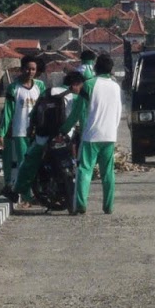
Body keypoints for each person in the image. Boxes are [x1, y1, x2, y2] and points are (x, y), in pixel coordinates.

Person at [64, 53, 121, 214]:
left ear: (95, 67)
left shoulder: (89, 85)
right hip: (109, 135)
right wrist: (113, 130)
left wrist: (63, 129)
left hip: (91, 136)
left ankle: (81, 204)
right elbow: (118, 111)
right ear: (110, 69)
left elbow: (77, 112)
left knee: (85, 170)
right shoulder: (116, 86)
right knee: (107, 172)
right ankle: (108, 206)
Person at [12, 73, 74, 209]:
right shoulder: (76, 95)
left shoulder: (47, 93)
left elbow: (33, 114)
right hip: (66, 137)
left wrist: (31, 130)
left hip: (44, 137)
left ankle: (16, 192)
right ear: (76, 85)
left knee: (28, 162)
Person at [0, 56, 45, 202]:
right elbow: (8, 112)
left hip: (36, 133)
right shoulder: (13, 88)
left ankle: (34, 192)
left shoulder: (40, 86)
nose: (30, 71)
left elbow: (43, 108)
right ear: (22, 69)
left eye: (33, 69)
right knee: (24, 163)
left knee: (36, 163)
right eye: (28, 68)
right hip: (20, 132)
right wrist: (1, 133)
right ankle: (26, 195)